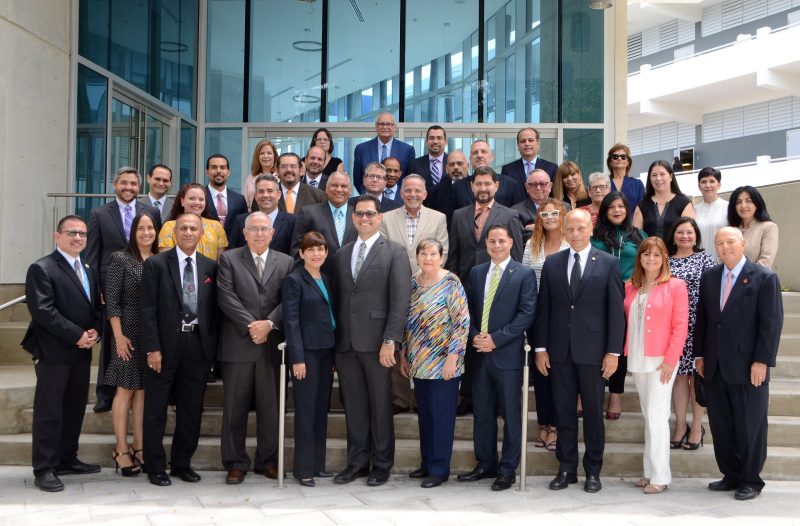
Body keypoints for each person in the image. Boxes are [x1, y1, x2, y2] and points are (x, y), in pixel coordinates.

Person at [533, 209, 625, 494]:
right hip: (559, 352)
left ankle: (593, 471)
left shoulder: (608, 263)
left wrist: (613, 352)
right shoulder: (552, 263)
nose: (575, 233)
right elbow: (544, 309)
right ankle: (566, 468)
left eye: (580, 228)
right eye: (570, 228)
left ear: (590, 230)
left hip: (594, 354)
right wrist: (540, 347)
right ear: (564, 230)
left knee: (594, 415)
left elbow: (616, 313)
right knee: (563, 412)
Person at [695, 227, 783, 501]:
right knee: (722, 425)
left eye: (730, 241)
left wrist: (762, 361)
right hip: (715, 365)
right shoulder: (710, 277)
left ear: (743, 243)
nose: (725, 247)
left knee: (750, 425)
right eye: (719, 243)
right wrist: (699, 355)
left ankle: (750, 479)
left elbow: (771, 325)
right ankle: (730, 474)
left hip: (748, 367)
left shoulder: (764, 278)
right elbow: (704, 320)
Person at [332, 195, 412, 487]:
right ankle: (356, 462)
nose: (364, 219)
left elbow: (400, 300)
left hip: (379, 343)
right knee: (354, 406)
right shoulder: (342, 253)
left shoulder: (395, 252)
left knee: (380, 406)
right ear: (353, 218)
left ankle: (381, 464)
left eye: (370, 214)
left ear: (380, 217)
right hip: (346, 344)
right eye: (359, 214)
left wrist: (392, 339)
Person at [24, 215, 103, 492]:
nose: (78, 238)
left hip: (81, 352)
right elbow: (43, 311)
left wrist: (95, 331)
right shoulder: (42, 268)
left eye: (82, 233)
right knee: (49, 411)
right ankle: (44, 467)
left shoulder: (89, 269)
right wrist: (77, 335)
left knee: (73, 408)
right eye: (72, 233)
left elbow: (95, 307)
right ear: (58, 236)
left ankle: (66, 458)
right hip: (54, 352)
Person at [140, 213, 220, 486]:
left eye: (193, 228)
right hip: (163, 347)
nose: (188, 232)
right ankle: (155, 466)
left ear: (201, 234)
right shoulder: (156, 265)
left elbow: (214, 311)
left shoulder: (211, 267)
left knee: (191, 408)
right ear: (174, 233)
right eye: (183, 228)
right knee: (156, 409)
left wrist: (212, 350)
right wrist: (152, 348)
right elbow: (147, 310)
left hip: (197, 346)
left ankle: (182, 463)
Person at [216, 211, 293, 485]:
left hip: (272, 346)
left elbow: (290, 299)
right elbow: (225, 297)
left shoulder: (286, 261)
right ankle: (235, 463)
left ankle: (267, 461)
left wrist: (269, 324)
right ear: (245, 233)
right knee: (234, 407)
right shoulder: (229, 259)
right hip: (238, 344)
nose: (260, 234)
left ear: (273, 233)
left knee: (271, 407)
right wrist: (253, 326)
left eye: (264, 229)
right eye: (254, 229)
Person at [458, 225, 536, 491]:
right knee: (482, 413)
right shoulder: (478, 272)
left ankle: (507, 469)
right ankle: (485, 463)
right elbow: (464, 309)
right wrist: (475, 335)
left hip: (508, 356)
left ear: (511, 242)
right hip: (479, 355)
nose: (497, 245)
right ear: (487, 244)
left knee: (511, 415)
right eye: (492, 241)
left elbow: (526, 313)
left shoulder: (523, 274)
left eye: (502, 241)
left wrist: (496, 339)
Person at [85, 166, 160, 413]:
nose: (128, 188)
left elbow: (155, 247)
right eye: (124, 183)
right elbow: (93, 256)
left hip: (144, 283)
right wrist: (97, 288)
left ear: (140, 187)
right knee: (112, 343)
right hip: (113, 287)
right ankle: (105, 394)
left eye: (133, 184)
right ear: (114, 185)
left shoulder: (149, 211)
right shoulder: (99, 214)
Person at [400, 239, 469, 488]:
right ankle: (427, 463)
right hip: (419, 361)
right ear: (417, 257)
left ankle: (439, 469)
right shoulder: (413, 283)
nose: (428, 258)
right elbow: (408, 322)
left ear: (441, 257)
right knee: (425, 416)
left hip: (444, 362)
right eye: (423, 253)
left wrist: (454, 357)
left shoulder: (451, 283)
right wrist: (404, 353)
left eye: (432, 254)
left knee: (441, 417)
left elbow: (462, 322)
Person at [623, 237, 689, 494]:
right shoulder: (632, 286)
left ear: (664, 259)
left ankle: (660, 475)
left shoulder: (675, 286)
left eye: (657, 255)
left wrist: (671, 361)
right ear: (639, 258)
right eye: (646, 255)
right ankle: (649, 471)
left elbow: (680, 326)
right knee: (648, 415)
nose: (651, 259)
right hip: (638, 357)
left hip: (662, 360)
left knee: (658, 416)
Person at [380, 174, 449, 414]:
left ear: (425, 194)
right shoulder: (386, 219)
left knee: (424, 340)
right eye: (408, 190)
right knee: (397, 338)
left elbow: (443, 251)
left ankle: (421, 398)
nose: (412, 194)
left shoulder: (438, 218)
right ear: (400, 193)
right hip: (393, 288)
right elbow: (383, 253)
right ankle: (399, 398)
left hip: (427, 288)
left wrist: (425, 278)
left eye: (417, 190)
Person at [103, 212, 159, 476]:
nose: (146, 232)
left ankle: (140, 447)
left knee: (143, 391)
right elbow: (111, 300)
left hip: (150, 335)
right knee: (125, 390)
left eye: (150, 228)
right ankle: (121, 450)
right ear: (133, 231)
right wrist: (118, 336)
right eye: (141, 228)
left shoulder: (159, 259)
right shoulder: (121, 259)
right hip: (126, 333)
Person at [282, 232, 336, 487]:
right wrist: (298, 357)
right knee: (305, 411)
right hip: (306, 354)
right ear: (301, 253)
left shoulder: (326, 278)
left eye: (321, 249)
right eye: (311, 249)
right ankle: (303, 469)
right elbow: (291, 321)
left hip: (326, 351)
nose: (317, 254)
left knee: (320, 411)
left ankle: (317, 464)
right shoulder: (294, 280)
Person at [590, 192, 647, 419]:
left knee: (619, 347)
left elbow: (648, 263)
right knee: (594, 344)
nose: (616, 210)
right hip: (596, 297)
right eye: (611, 207)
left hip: (628, 298)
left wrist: (633, 281)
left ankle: (615, 394)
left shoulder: (638, 235)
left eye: (621, 207)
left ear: (627, 210)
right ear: (604, 211)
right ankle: (584, 393)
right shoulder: (594, 236)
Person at [522, 198, 568, 451]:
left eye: (555, 213)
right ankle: (544, 423)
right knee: (540, 374)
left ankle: (558, 426)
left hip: (563, 316)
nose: (549, 217)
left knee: (560, 373)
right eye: (544, 213)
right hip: (537, 315)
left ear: (563, 216)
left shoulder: (570, 243)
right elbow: (526, 279)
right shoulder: (532, 244)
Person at [666, 218, 716, 451]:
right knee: (678, 377)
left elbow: (712, 294)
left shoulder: (706, 259)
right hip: (674, 327)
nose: (685, 236)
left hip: (698, 325)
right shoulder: (665, 260)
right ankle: (680, 425)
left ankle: (697, 426)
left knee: (696, 377)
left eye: (689, 232)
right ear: (673, 235)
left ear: (696, 235)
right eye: (680, 232)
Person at [291, 171, 358, 275]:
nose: (339, 189)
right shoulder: (308, 213)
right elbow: (297, 251)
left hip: (350, 283)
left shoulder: (359, 216)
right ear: (326, 189)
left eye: (343, 186)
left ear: (350, 191)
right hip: (317, 281)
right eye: (334, 185)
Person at [228, 174, 296, 254]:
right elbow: (232, 254)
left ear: (279, 194)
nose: (265, 195)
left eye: (270, 191)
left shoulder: (293, 222)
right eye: (261, 191)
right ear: (256, 196)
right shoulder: (241, 221)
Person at [160, 183, 228, 260]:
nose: (197, 202)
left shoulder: (216, 226)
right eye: (192, 198)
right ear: (182, 201)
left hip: (210, 272)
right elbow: (165, 260)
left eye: (201, 199)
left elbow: (220, 261)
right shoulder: (169, 226)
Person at [451, 141, 526, 209]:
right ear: (470, 159)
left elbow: (517, 215)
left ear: (492, 157)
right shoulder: (457, 187)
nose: (479, 155)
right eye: (475, 152)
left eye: (483, 152)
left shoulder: (510, 184)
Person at [352, 112, 415, 193]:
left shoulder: (407, 150)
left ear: (394, 127)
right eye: (381, 124)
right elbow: (357, 180)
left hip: (397, 201)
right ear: (376, 126)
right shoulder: (361, 149)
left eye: (388, 124)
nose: (385, 127)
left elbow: (408, 179)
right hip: (370, 199)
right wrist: (367, 196)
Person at [633, 160, 695, 239]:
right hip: (649, 251)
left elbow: (688, 236)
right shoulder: (642, 205)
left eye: (662, 174)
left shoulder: (684, 203)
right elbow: (636, 238)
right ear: (650, 178)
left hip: (677, 251)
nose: (658, 178)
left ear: (671, 177)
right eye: (654, 175)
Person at [727, 185, 779, 270]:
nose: (743, 205)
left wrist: (743, 278)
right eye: (738, 202)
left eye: (748, 201)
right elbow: (723, 258)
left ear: (757, 204)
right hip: (730, 280)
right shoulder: (730, 230)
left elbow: (765, 262)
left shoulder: (768, 227)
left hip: (757, 280)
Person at [204, 154, 248, 239]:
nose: (218, 171)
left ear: (228, 172)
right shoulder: (199, 197)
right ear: (207, 172)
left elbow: (244, 227)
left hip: (233, 249)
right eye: (214, 167)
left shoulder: (239, 200)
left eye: (222, 167)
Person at [426, 149, 469, 225]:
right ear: (446, 169)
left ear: (468, 166)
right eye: (452, 164)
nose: (456, 167)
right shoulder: (435, 192)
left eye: (460, 163)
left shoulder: (477, 188)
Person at [694, 167, 728, 260]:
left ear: (719, 185)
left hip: (721, 263)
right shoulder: (693, 210)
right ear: (699, 186)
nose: (708, 185)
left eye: (712, 181)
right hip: (698, 263)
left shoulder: (728, 208)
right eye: (703, 182)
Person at [512, 169, 554, 239]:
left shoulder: (563, 207)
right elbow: (519, 237)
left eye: (542, 184)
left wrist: (537, 227)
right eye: (534, 185)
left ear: (550, 186)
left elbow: (567, 230)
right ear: (527, 187)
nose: (538, 188)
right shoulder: (515, 211)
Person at [409, 125, 448, 192]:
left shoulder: (453, 163)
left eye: (439, 138)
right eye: (431, 138)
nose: (435, 141)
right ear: (426, 142)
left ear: (445, 142)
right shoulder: (415, 164)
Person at [607, 143, 645, 209]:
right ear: (610, 162)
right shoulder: (604, 183)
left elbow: (642, 209)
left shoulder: (637, 184)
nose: (619, 158)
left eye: (623, 157)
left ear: (628, 162)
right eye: (615, 157)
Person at [245, 139, 279, 210]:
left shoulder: (280, 176)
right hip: (254, 217)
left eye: (269, 153)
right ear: (257, 156)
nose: (266, 156)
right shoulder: (251, 177)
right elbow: (246, 202)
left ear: (274, 156)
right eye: (262, 153)